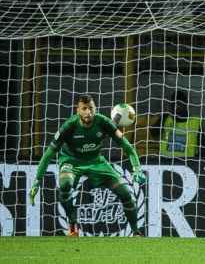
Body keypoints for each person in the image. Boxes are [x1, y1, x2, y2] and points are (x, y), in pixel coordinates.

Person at [28, 95, 147, 236]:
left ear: (95, 108)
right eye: (84, 108)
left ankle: (136, 232)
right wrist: (37, 180)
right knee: (65, 185)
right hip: (71, 161)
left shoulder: (104, 122)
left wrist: (137, 168)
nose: (88, 112)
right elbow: (49, 153)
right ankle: (72, 223)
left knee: (126, 195)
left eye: (91, 108)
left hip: (97, 162)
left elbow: (127, 147)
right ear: (78, 110)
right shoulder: (69, 126)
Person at [156, 90, 201, 158]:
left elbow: (202, 147)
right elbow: (152, 133)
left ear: (186, 104)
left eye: (179, 104)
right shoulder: (165, 118)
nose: (176, 106)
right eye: (174, 104)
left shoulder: (195, 122)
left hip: (188, 162)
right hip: (165, 162)